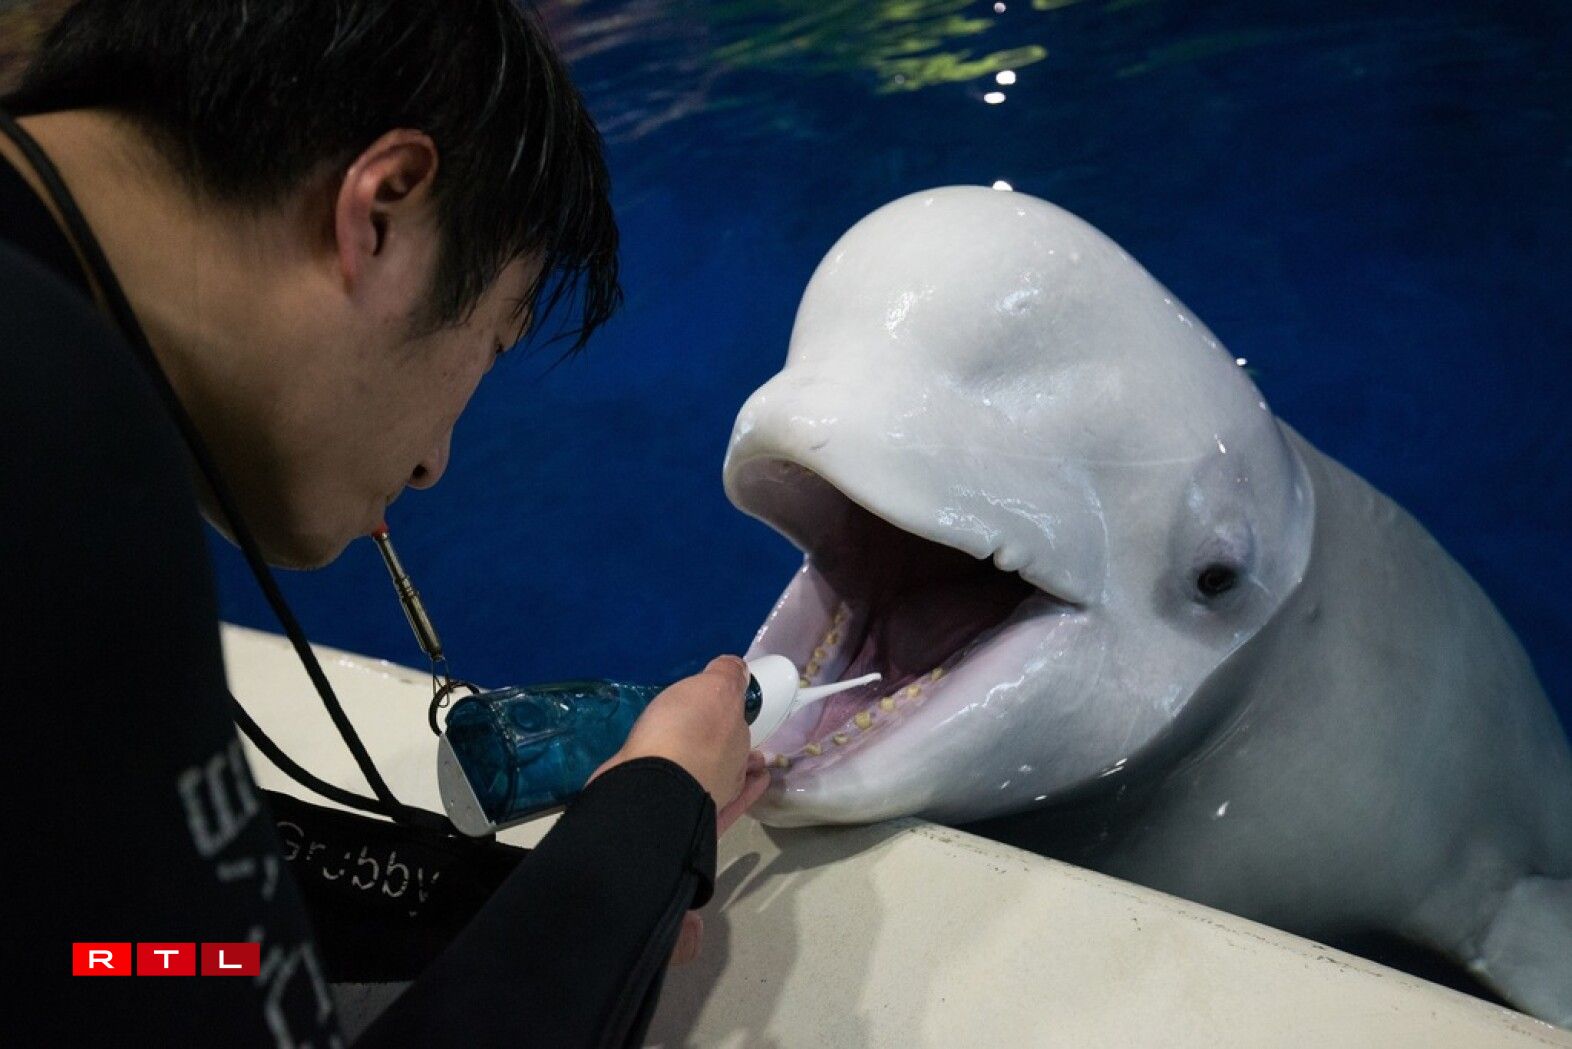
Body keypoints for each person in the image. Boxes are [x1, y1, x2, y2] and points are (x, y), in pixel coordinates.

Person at [0, 0, 770, 1045]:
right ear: (384, 209)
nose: (431, 463)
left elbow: (110, 949)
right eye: (491, 344)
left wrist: (474, 904)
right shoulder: (53, 425)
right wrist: (647, 821)